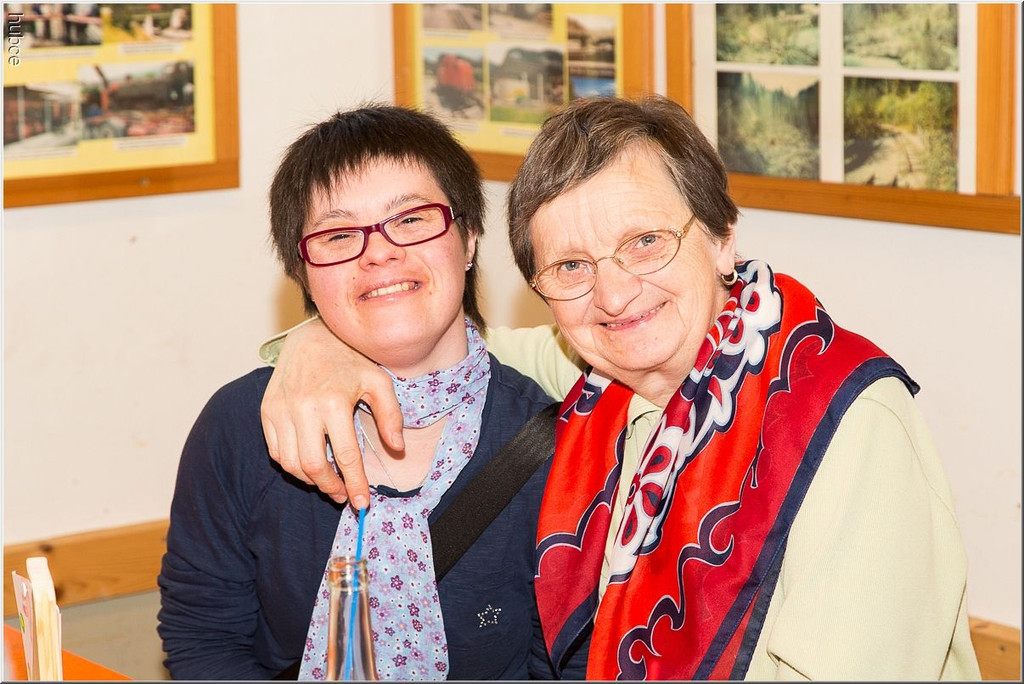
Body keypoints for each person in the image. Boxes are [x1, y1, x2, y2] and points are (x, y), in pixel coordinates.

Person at [258, 96, 980, 680]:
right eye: (571, 267)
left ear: (722, 236)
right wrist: (317, 344)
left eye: (644, 242)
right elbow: (424, 346)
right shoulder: (595, 379)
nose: (613, 294)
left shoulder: (844, 418)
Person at [157, 105, 558, 680]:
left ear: (469, 239)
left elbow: (564, 661)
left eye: (412, 219)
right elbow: (204, 637)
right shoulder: (243, 425)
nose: (379, 252)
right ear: (303, 273)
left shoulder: (556, 440)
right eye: (339, 234)